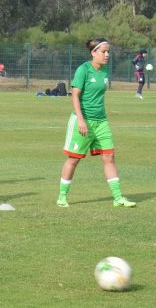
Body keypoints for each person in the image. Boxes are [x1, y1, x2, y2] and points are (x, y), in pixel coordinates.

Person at [57, 38, 136, 208]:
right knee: (73, 159)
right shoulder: (83, 70)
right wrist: (80, 119)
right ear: (93, 53)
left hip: (101, 122)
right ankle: (62, 197)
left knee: (109, 157)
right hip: (83, 121)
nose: (107, 55)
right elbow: (75, 95)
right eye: (104, 52)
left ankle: (118, 198)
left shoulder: (105, 70)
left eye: (108, 52)